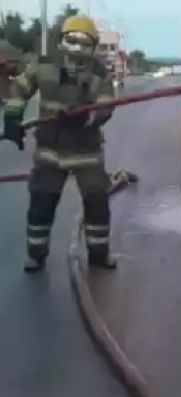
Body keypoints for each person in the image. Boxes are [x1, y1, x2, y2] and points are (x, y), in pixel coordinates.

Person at [3, 15, 117, 272]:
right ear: (63, 40)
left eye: (84, 42)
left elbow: (106, 105)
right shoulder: (44, 64)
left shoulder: (98, 71)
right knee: (41, 204)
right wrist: (12, 118)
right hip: (49, 150)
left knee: (97, 204)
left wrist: (85, 115)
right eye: (72, 40)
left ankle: (99, 254)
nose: (77, 47)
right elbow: (20, 89)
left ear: (93, 45)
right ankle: (36, 254)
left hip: (86, 150)